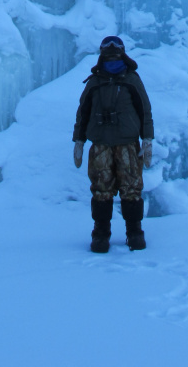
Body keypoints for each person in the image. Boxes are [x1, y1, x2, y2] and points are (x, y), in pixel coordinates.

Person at [72, 35, 154, 252]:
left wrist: (147, 139)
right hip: (100, 144)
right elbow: (83, 112)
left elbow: (145, 111)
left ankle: (134, 232)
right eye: (107, 52)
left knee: (131, 188)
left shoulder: (132, 80)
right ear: (101, 54)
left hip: (127, 143)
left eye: (116, 51)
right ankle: (100, 234)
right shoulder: (94, 82)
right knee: (101, 189)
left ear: (123, 53)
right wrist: (79, 140)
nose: (112, 55)